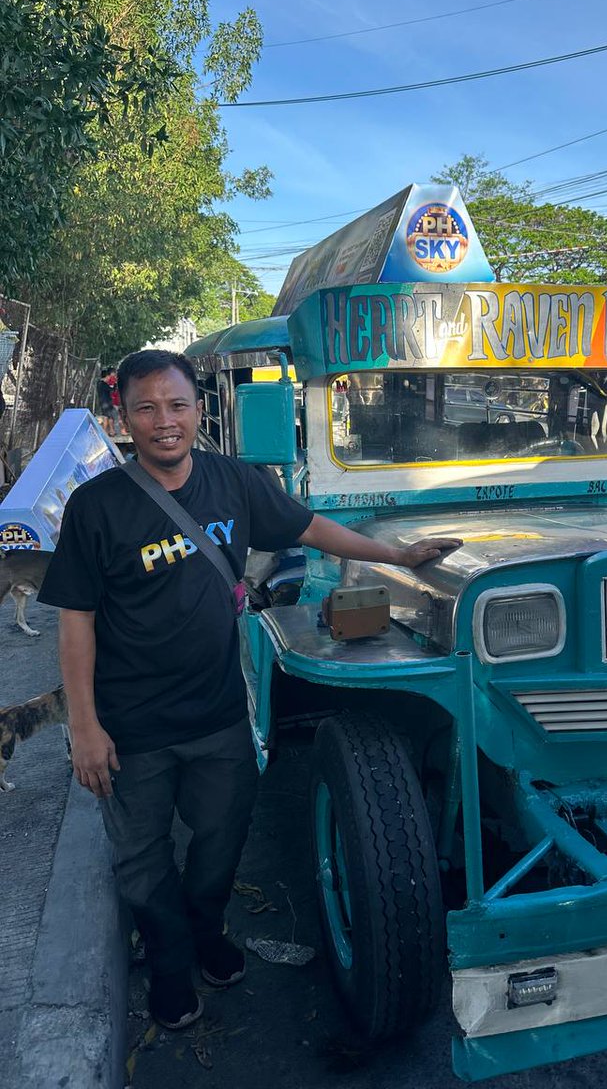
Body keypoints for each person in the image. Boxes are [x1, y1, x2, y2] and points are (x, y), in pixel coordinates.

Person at [38, 349, 461, 1031]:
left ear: (198, 411)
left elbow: (308, 528)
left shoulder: (232, 482)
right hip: (131, 726)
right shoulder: (97, 508)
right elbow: (76, 625)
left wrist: (398, 556)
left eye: (176, 406)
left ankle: (205, 933)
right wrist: (84, 728)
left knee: (220, 841)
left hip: (216, 716)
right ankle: (171, 969)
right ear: (124, 417)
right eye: (146, 408)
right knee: (142, 863)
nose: (164, 422)